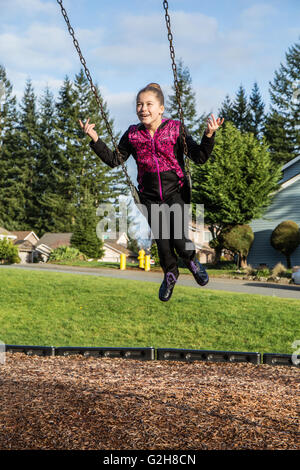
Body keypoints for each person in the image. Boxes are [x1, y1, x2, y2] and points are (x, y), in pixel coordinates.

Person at [79, 83, 224, 301]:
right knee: (163, 243)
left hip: (176, 190)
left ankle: (191, 262)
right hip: (150, 195)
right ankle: (171, 274)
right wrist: (96, 139)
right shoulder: (133, 134)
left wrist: (209, 134)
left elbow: (199, 157)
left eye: (149, 104)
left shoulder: (176, 128)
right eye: (139, 104)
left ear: (161, 108)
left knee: (176, 236)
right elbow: (114, 160)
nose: (143, 109)